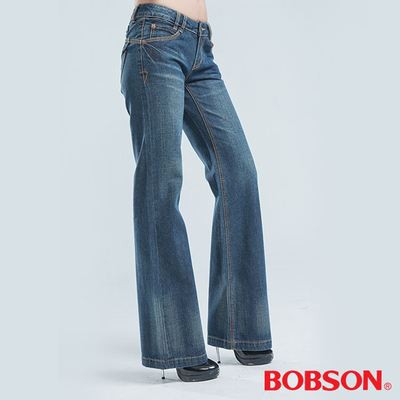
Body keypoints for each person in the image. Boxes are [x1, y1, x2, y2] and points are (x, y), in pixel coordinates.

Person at [120, 0, 273, 382]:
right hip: (154, 39)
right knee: (161, 183)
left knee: (239, 173)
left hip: (201, 47)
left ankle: (241, 325)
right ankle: (175, 342)